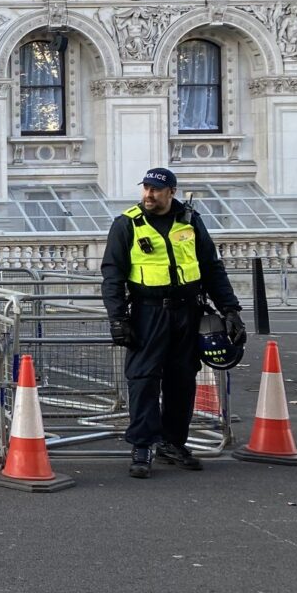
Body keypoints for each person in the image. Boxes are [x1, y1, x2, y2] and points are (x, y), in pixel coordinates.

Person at [101, 167, 244, 478]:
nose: (149, 194)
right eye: (146, 188)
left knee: (182, 380)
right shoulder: (127, 224)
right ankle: (142, 446)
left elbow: (211, 267)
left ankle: (173, 443)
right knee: (143, 380)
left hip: (187, 312)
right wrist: (117, 319)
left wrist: (230, 309)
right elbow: (112, 276)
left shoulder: (191, 221)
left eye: (155, 189)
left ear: (171, 192)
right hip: (147, 311)